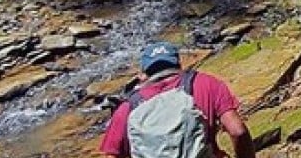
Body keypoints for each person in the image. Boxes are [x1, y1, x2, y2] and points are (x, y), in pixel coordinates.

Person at [100, 41, 256, 158]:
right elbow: (238, 131)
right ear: (178, 64)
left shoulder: (128, 108)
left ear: (143, 74)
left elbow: (111, 154)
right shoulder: (205, 83)